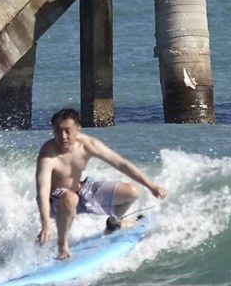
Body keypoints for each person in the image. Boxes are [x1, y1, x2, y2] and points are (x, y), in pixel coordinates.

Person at [36, 108, 167, 259]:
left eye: (68, 131)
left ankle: (114, 224)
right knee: (70, 198)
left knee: (132, 191)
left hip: (81, 190)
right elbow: (43, 191)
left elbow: (121, 164)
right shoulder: (48, 153)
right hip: (57, 201)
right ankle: (62, 246)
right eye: (58, 131)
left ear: (78, 129)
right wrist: (46, 223)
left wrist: (151, 186)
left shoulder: (88, 144)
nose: (62, 136)